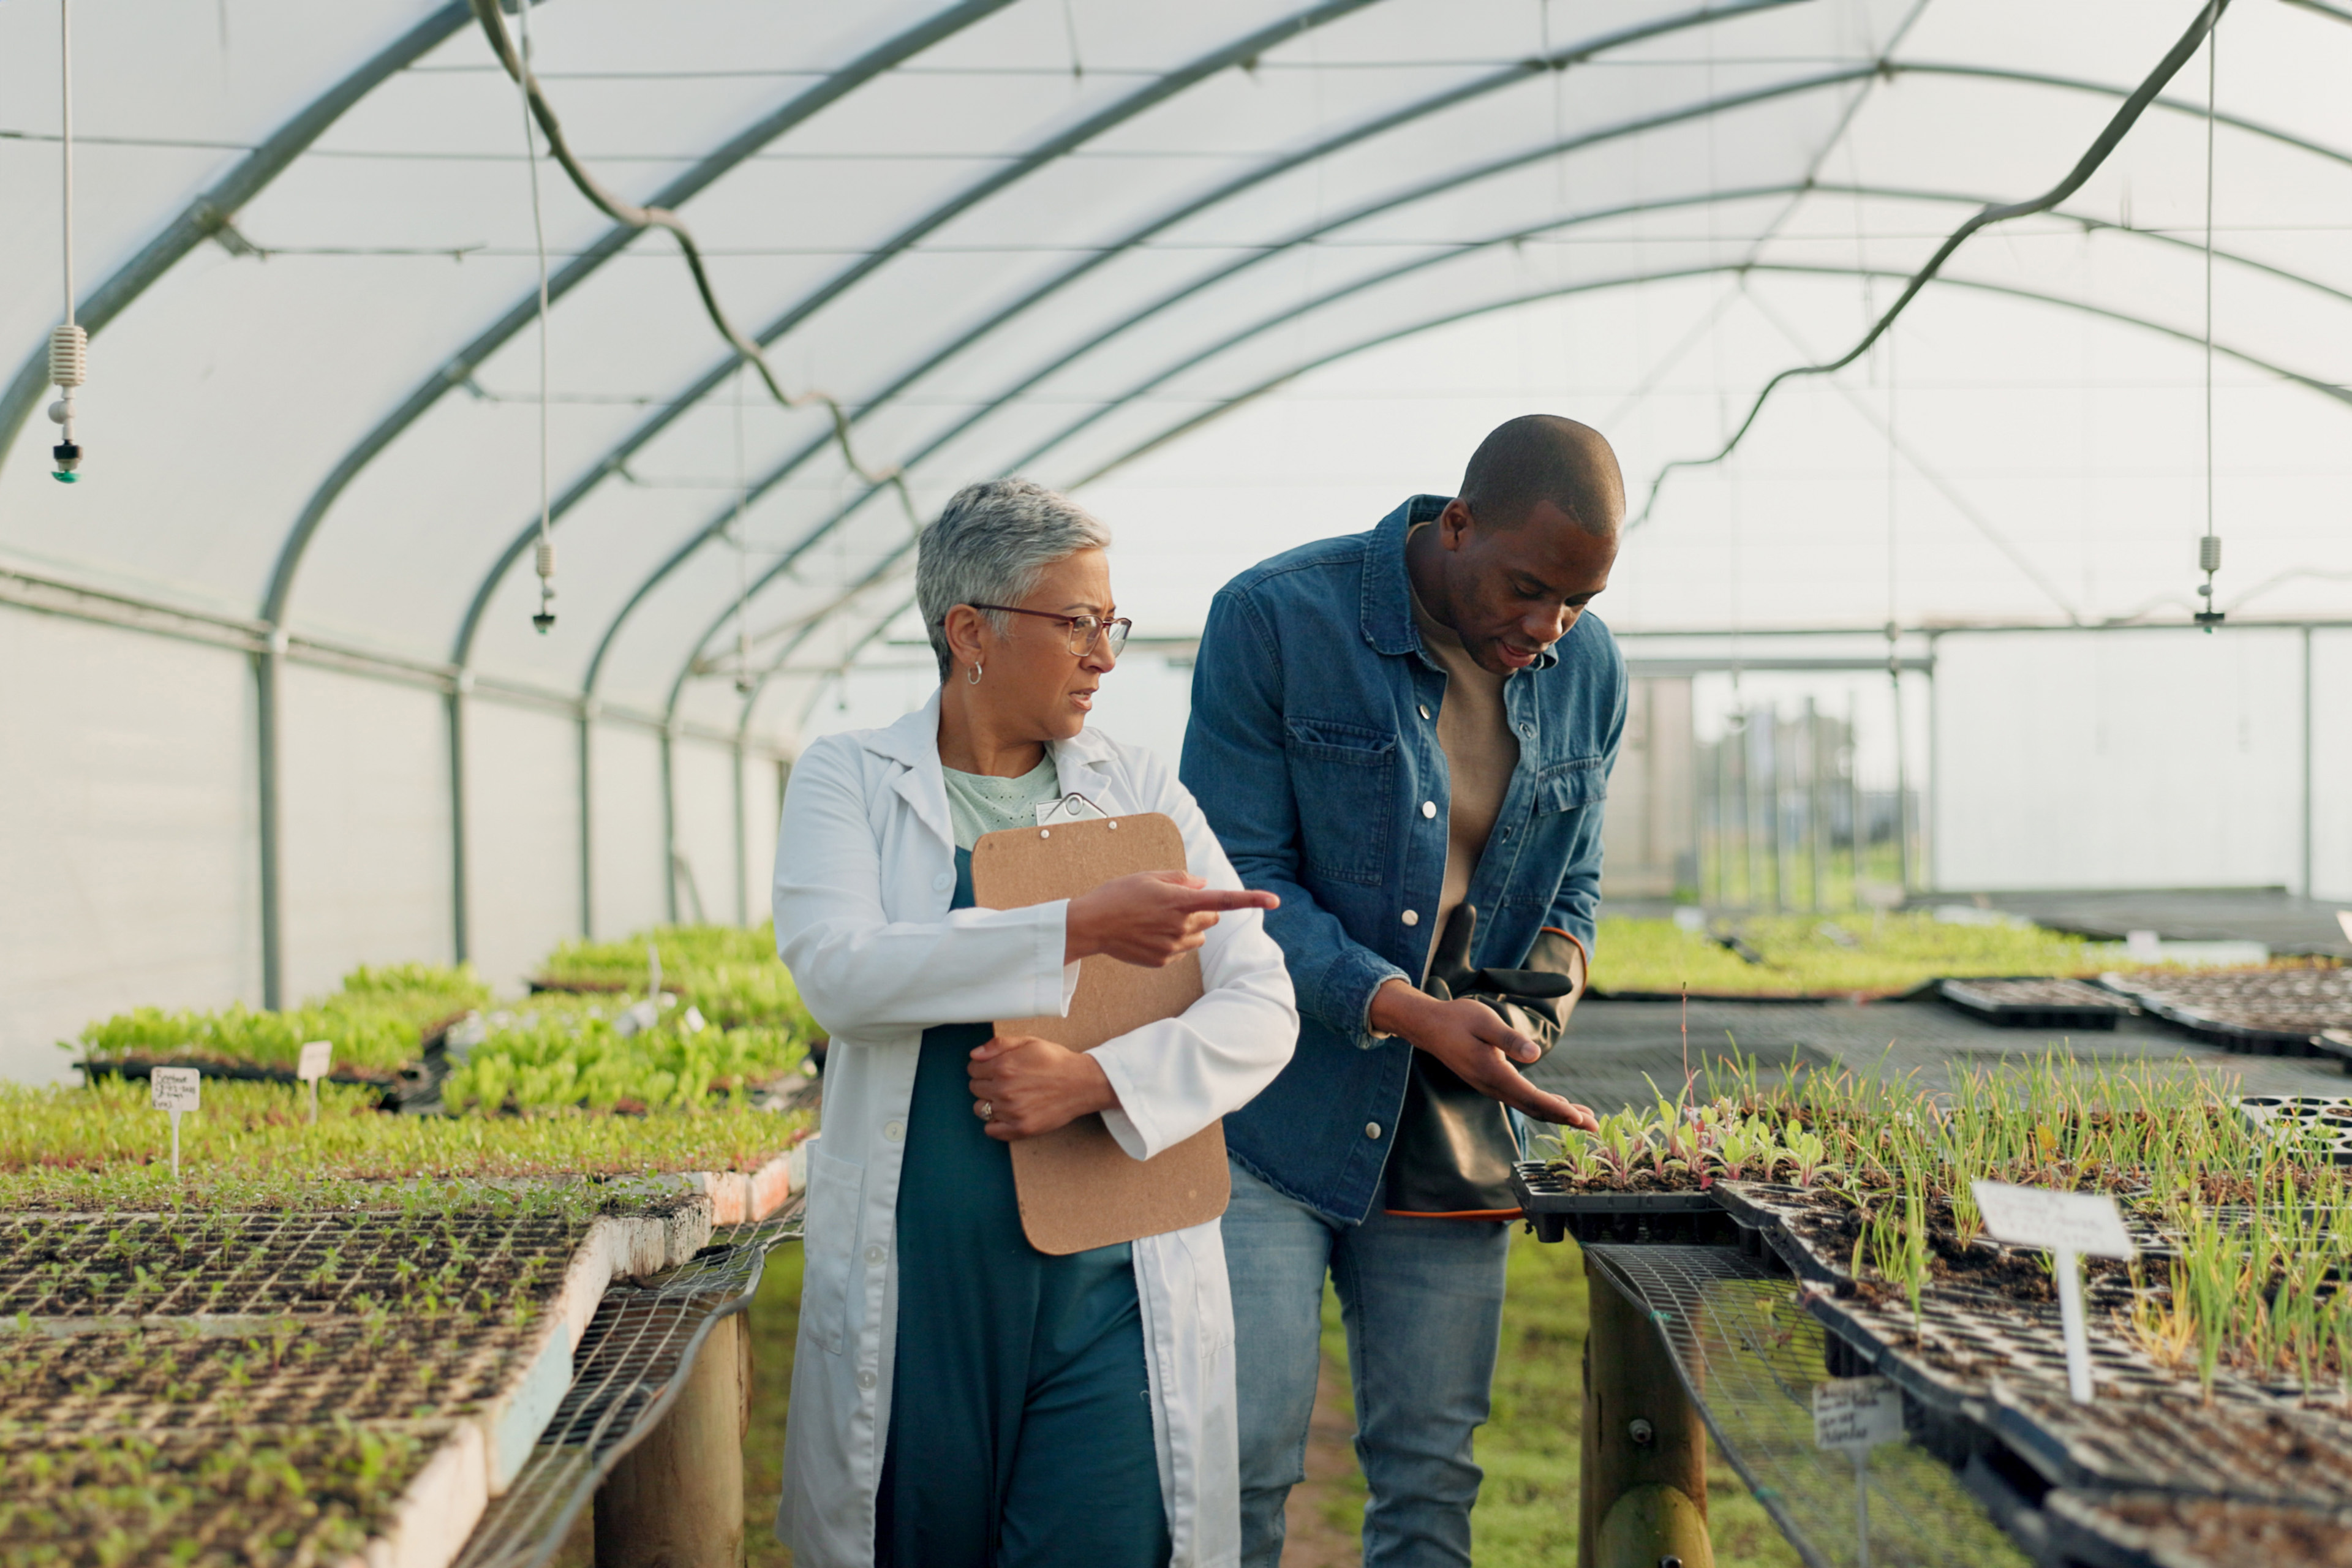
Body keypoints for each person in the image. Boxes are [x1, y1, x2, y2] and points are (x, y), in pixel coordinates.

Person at [774, 477, 1299, 1568]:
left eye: (1111, 623)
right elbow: (842, 975)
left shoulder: (1143, 792)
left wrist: (1102, 1081)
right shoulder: (849, 780)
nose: (1105, 653)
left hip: (1111, 1280)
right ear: (970, 630)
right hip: (922, 1286)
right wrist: (1079, 924)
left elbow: (1263, 1004)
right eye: (1077, 623)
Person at [1180, 415, 1629, 1567]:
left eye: (1574, 602)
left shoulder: (1591, 669)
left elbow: (1573, 889)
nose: (1547, 630)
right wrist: (1411, 1009)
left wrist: (1540, 1013)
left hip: (1449, 1121)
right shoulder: (1277, 619)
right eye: (1528, 590)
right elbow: (1244, 883)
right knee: (1241, 1462)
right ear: (1458, 523)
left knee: (1432, 1479)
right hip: (1266, 1110)